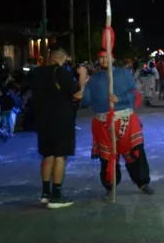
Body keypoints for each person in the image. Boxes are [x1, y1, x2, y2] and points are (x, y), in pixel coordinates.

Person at [81, 50, 154, 199]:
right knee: (107, 158)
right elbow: (86, 102)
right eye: (100, 57)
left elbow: (135, 93)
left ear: (112, 58)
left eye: (106, 57)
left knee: (136, 153)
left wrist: (119, 99)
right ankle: (110, 185)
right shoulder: (94, 79)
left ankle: (143, 182)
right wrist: (83, 84)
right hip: (103, 122)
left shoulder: (125, 74)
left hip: (126, 119)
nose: (103, 60)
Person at [25, 47, 86, 208]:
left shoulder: (36, 73)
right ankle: (56, 195)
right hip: (61, 120)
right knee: (60, 156)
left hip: (42, 120)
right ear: (65, 58)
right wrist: (82, 78)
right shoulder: (62, 73)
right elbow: (78, 95)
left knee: (47, 155)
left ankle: (45, 193)